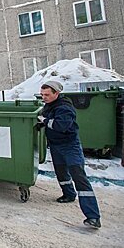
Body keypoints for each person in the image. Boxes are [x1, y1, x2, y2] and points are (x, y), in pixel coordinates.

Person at [39, 80, 101, 229]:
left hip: (70, 146)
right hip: (56, 145)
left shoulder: (65, 107)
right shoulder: (49, 105)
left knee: (78, 176)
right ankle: (68, 194)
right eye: (42, 94)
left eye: (47, 95)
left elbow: (61, 125)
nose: (44, 97)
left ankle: (93, 216)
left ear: (57, 93)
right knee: (61, 173)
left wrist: (44, 120)